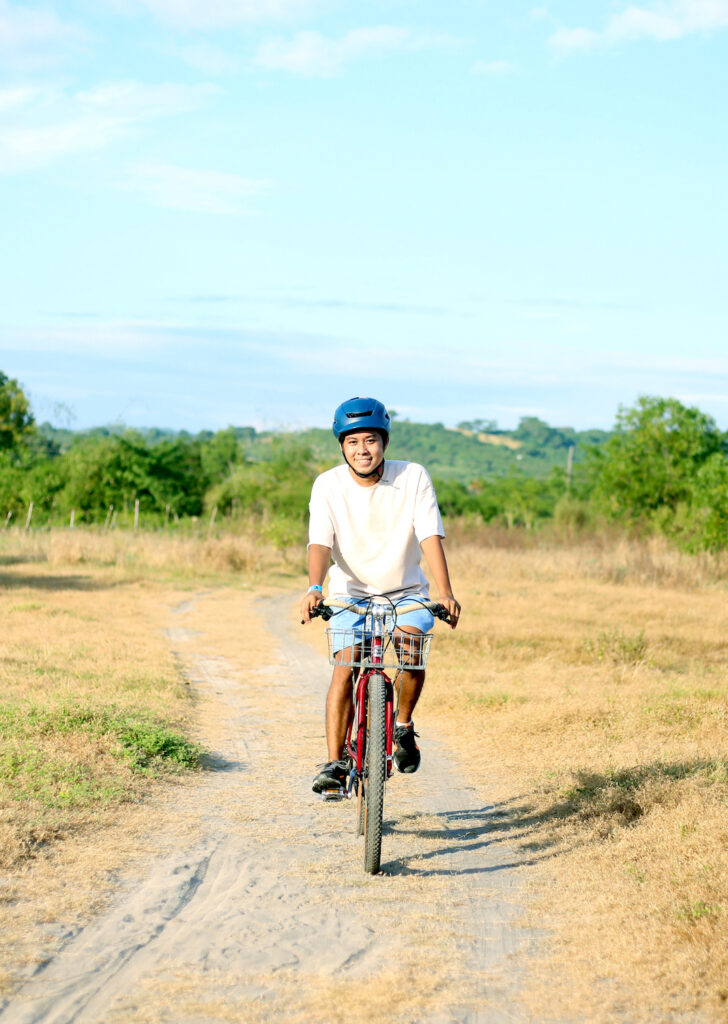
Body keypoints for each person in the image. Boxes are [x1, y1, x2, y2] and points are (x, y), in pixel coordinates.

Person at [300, 396, 461, 794]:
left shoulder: (413, 477)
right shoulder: (328, 485)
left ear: (384, 441)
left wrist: (444, 592)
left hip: (406, 591)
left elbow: (429, 535)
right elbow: (320, 543)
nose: (362, 450)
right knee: (345, 665)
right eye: (352, 442)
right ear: (341, 446)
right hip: (350, 593)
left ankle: (403, 725)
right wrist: (315, 587)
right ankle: (335, 763)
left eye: (370, 440)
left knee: (411, 645)